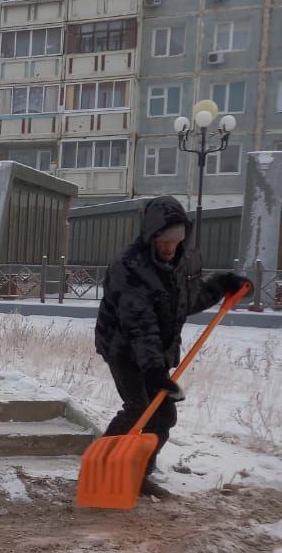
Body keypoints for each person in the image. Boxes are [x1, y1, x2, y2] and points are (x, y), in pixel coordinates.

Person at [94, 196, 247, 493]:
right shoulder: (130, 267)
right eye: (163, 239)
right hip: (122, 347)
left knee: (163, 415)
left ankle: (138, 475)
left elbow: (187, 302)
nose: (169, 246)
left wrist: (221, 285)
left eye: (176, 238)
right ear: (151, 236)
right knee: (139, 407)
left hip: (157, 350)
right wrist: (153, 369)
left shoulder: (186, 260)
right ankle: (101, 467)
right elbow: (139, 323)